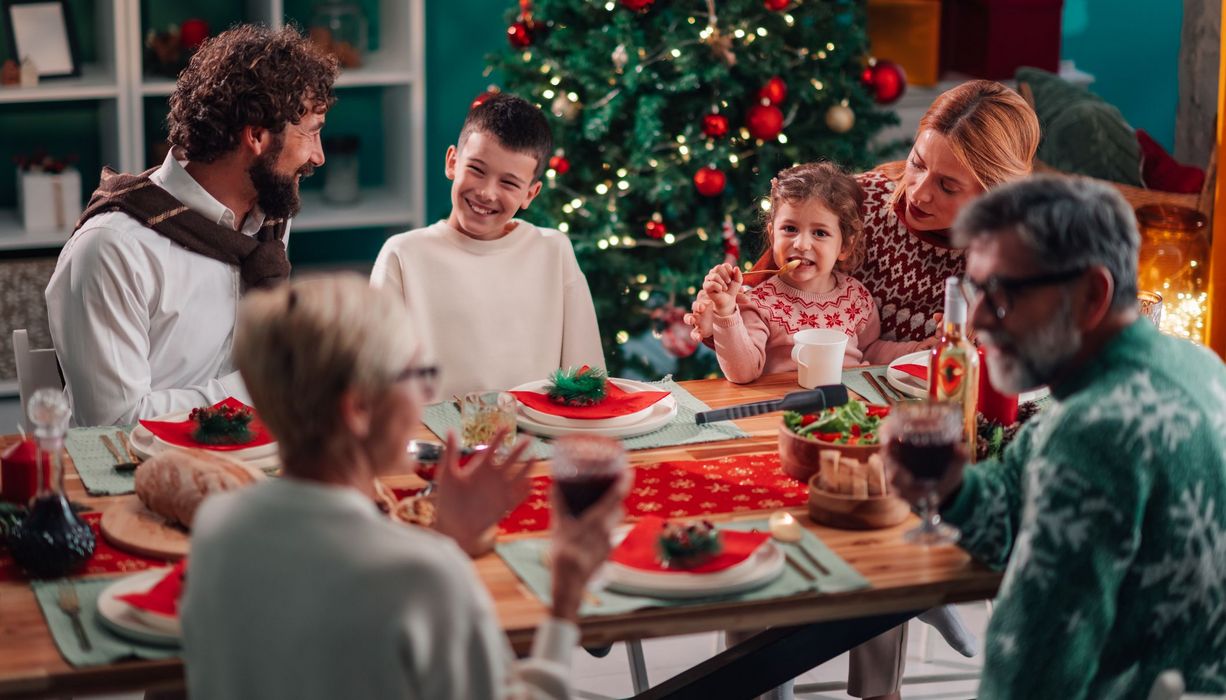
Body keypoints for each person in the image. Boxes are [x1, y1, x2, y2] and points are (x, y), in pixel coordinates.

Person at [688, 80, 1040, 700]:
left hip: (912, 434)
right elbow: (777, 284)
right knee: (771, 527)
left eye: (948, 186)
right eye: (917, 162)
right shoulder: (866, 203)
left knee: (887, 519)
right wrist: (721, 312)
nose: (918, 191)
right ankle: (758, 675)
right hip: (810, 414)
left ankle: (887, 655)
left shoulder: (1006, 252)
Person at [183, 274, 630, 700]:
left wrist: (449, 541)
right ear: (357, 409)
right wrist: (567, 593)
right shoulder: (423, 575)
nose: (425, 395)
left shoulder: (219, 527)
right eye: (417, 374)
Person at [886, 175, 1226, 699]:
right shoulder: (1195, 363)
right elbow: (1016, 505)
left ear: (1090, 294)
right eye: (977, 290)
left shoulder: (1095, 431)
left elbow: (1030, 671)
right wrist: (955, 491)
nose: (975, 320)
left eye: (1004, 294)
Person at [44, 25, 337, 426]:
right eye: (311, 133)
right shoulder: (113, 249)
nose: (318, 157)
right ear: (256, 136)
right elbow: (114, 422)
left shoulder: (267, 223)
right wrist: (261, 387)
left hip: (255, 461)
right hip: (138, 476)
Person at [371, 93, 604, 400]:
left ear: (530, 194)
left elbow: (585, 378)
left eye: (508, 183)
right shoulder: (403, 255)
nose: (486, 192)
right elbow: (377, 381)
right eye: (477, 170)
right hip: (438, 440)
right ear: (452, 162)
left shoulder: (553, 251)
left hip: (536, 439)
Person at [701, 162, 937, 384]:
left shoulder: (856, 297)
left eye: (820, 233)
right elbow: (743, 372)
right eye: (790, 229)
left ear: (845, 245)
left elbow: (871, 350)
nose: (802, 244)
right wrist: (725, 311)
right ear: (773, 235)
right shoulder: (759, 302)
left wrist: (917, 350)